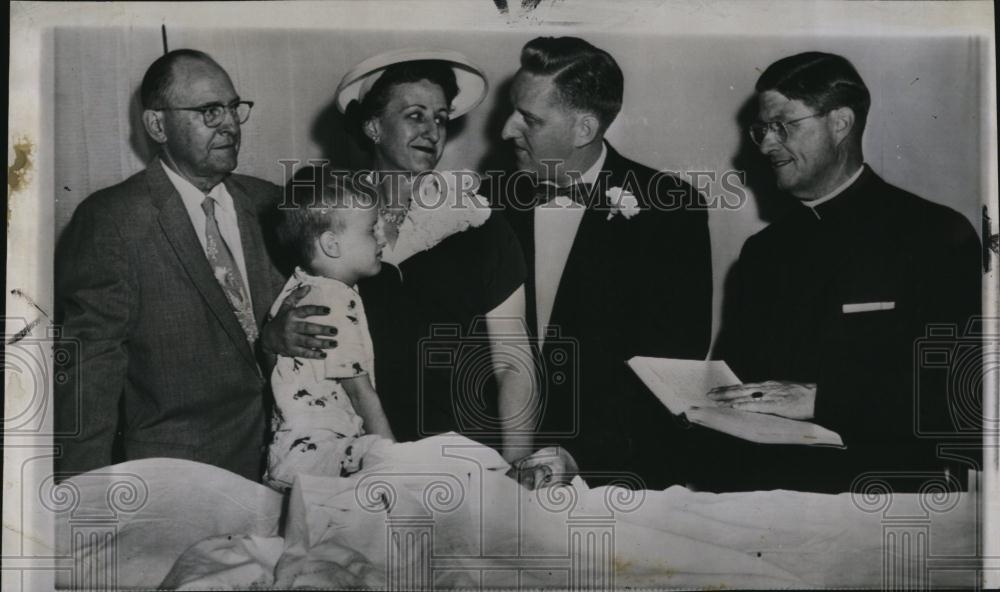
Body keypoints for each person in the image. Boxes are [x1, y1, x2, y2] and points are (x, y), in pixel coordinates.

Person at [708, 52, 982, 492]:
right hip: (760, 493)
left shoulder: (936, 234)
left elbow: (961, 396)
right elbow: (739, 378)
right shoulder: (762, 250)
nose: (764, 145)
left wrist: (821, 399)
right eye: (761, 129)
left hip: (882, 495)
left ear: (840, 123)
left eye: (784, 126)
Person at [54, 49, 296, 481]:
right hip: (181, 479)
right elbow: (90, 376)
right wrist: (81, 501)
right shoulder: (112, 219)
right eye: (209, 111)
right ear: (157, 125)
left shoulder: (270, 203)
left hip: (288, 465)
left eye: (234, 108)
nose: (230, 124)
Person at [495, 37, 713, 489]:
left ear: (584, 129)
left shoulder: (671, 210)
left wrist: (580, 456)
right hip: (493, 461)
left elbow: (670, 363)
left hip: (612, 473)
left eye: (529, 119)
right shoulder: (484, 202)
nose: (506, 130)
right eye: (512, 111)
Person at [332, 49, 557, 483]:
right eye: (415, 115)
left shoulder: (480, 225)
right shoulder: (328, 223)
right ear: (373, 126)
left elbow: (514, 363)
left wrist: (513, 468)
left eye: (440, 118)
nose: (432, 131)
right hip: (357, 456)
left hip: (461, 461)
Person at [264, 177, 395, 491]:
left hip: (290, 453)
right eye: (371, 229)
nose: (382, 237)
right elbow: (361, 394)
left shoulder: (297, 289)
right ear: (331, 244)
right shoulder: (336, 299)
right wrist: (395, 459)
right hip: (327, 453)